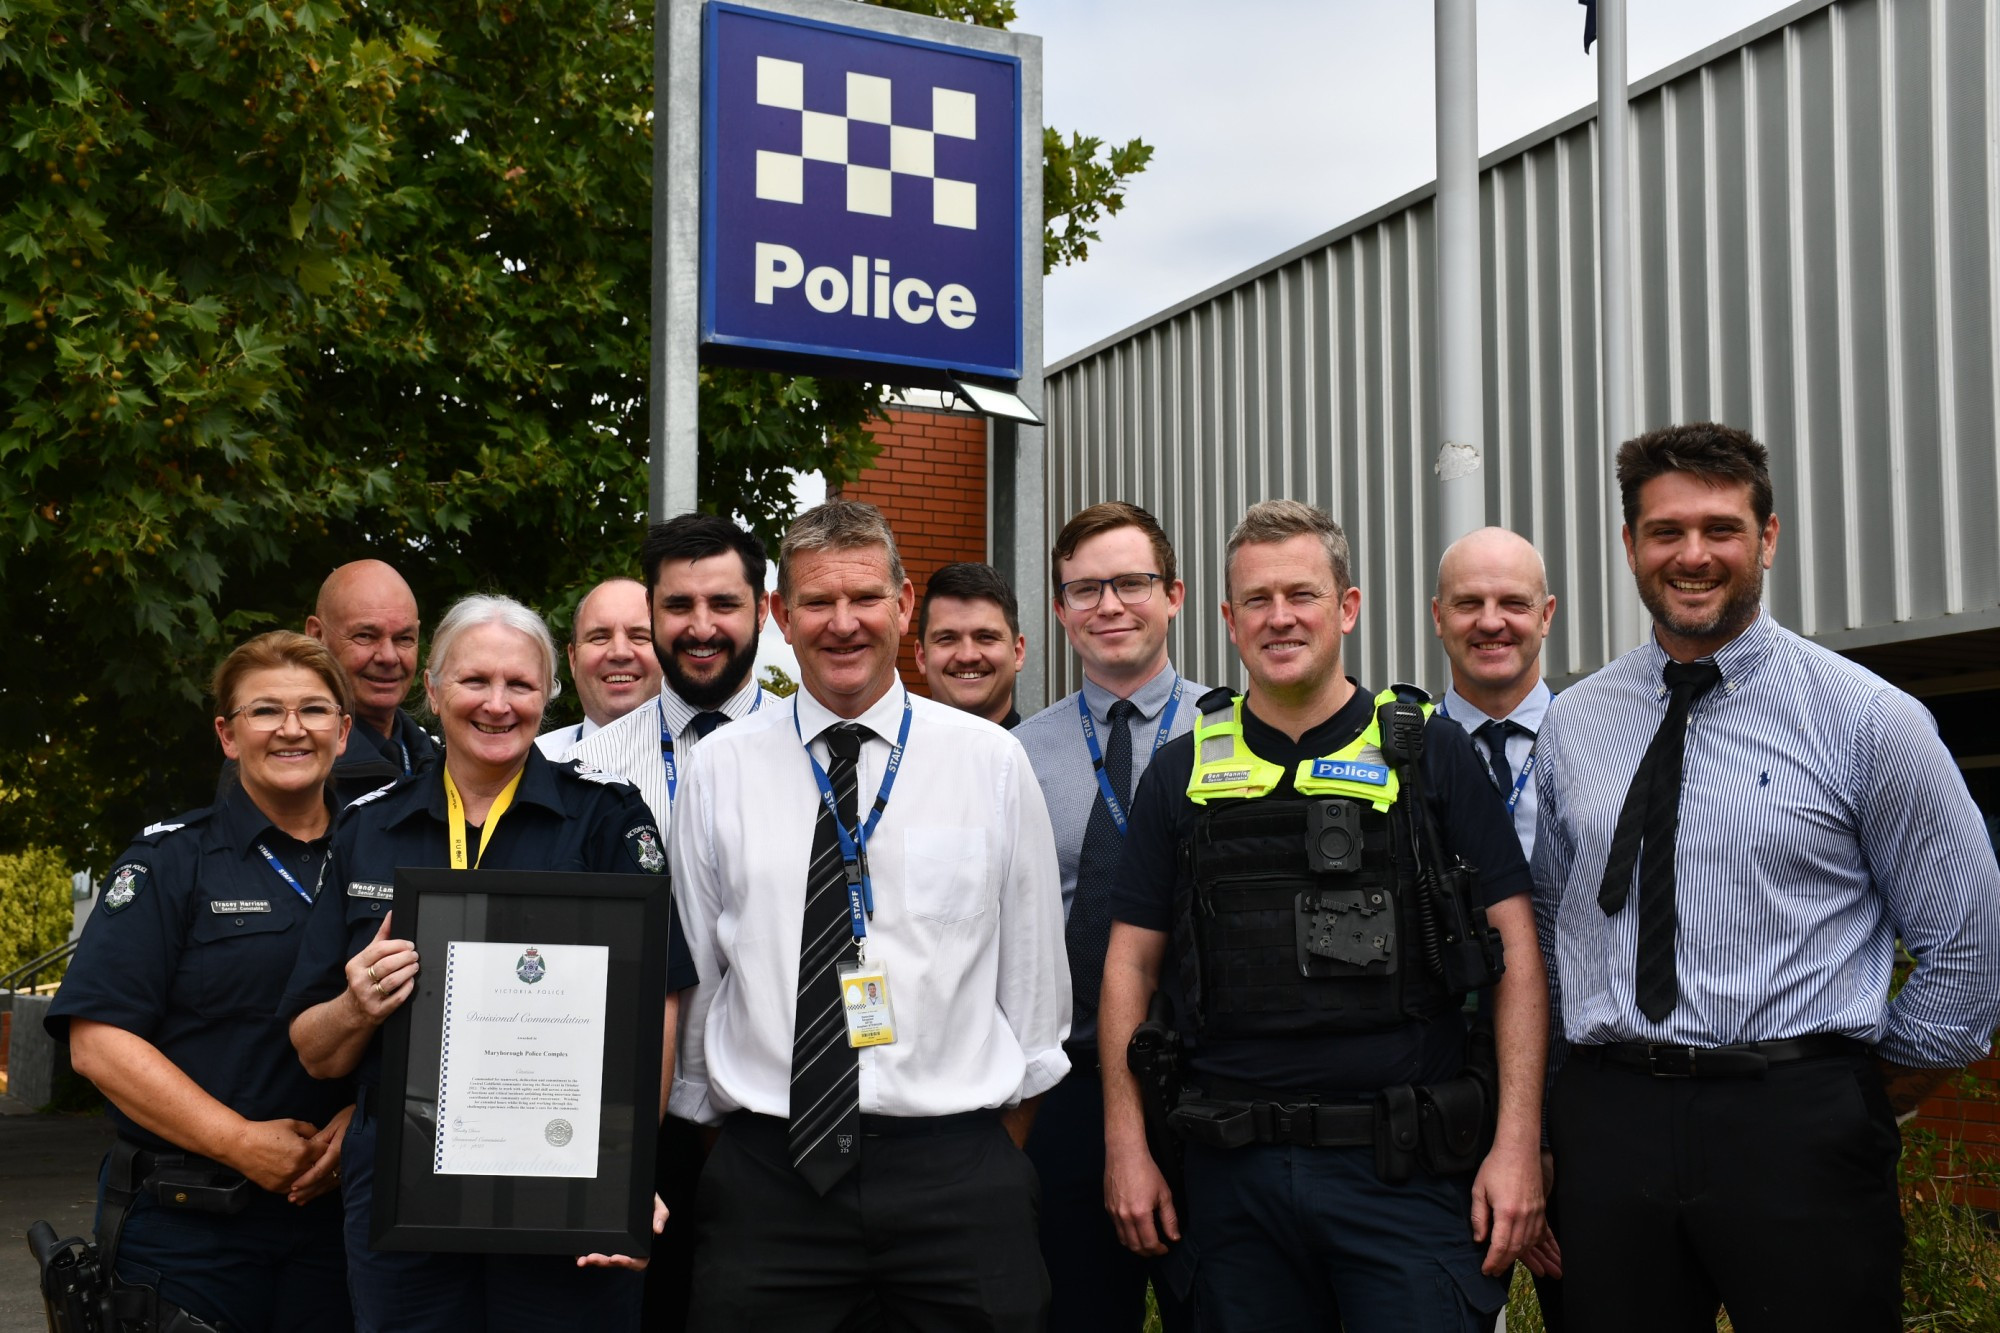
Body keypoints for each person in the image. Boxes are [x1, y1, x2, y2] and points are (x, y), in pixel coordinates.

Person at [1532, 422, 2000, 1331]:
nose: (1692, 554)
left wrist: (1859, 1094)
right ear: (1630, 545)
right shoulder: (1576, 722)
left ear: (1768, 538)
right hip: (1607, 1121)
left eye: (1721, 528)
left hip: (1796, 1125)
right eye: (1666, 530)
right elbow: (1553, 936)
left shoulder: (1869, 719)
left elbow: (1969, 946)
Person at [1101, 500, 1549, 1333]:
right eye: (1257, 601)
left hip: (1403, 1176)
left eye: (1302, 594)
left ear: (1346, 606)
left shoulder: (1427, 751)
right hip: (1233, 1184)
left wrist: (1516, 1144)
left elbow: (1516, 952)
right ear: (1228, 620)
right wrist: (1126, 1145)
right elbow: (1130, 965)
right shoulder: (1181, 771)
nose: (1280, 618)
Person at [669, 500, 1069, 1331]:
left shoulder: (991, 763)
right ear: (780, 614)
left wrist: (981, 1152)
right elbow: (703, 978)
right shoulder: (719, 769)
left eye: (863, 598)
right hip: (770, 1181)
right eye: (816, 602)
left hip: (955, 1181)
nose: (842, 623)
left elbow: (1033, 990)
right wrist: (738, 1145)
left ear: (904, 604)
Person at [280, 594, 697, 1333]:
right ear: (433, 690)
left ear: (548, 695)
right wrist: (357, 1004)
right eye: (475, 681)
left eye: (521, 685)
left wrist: (628, 1177)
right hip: (402, 1182)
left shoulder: (607, 817)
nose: (498, 705)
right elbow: (313, 1051)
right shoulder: (370, 826)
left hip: (567, 1175)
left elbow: (654, 1010)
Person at [47, 631, 358, 1332]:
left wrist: (363, 1121)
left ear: (343, 731)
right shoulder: (169, 862)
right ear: (227, 733)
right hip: (190, 1226)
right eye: (264, 710)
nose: (290, 728)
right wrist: (241, 1142)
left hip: (339, 1222)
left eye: (313, 710)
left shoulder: (386, 855)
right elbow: (98, 1043)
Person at [569, 513, 778, 1332]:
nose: (700, 626)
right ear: (652, 611)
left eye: (722, 602)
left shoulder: (819, 754)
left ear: (762, 608)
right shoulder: (574, 768)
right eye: (678, 604)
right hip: (622, 1115)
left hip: (766, 1116)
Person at [1012, 502, 1206, 1331]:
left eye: (1131, 582)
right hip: (1068, 1088)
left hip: (1209, 1089)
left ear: (1175, 594)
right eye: (1085, 588)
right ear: (1059, 609)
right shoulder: (1016, 754)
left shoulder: (1237, 729)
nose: (1109, 604)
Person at [305, 559, 439, 804]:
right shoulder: (284, 760)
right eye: (365, 636)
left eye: (404, 638)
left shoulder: (439, 762)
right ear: (317, 636)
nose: (388, 657)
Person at [538, 577, 665, 760]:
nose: (620, 653)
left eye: (639, 637)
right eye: (599, 637)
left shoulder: (703, 761)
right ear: (573, 659)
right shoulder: (532, 764)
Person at [915, 561, 1027, 728]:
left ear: (1017, 653)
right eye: (947, 638)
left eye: (985, 637)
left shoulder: (1052, 754)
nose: (967, 656)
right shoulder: (881, 753)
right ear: (921, 657)